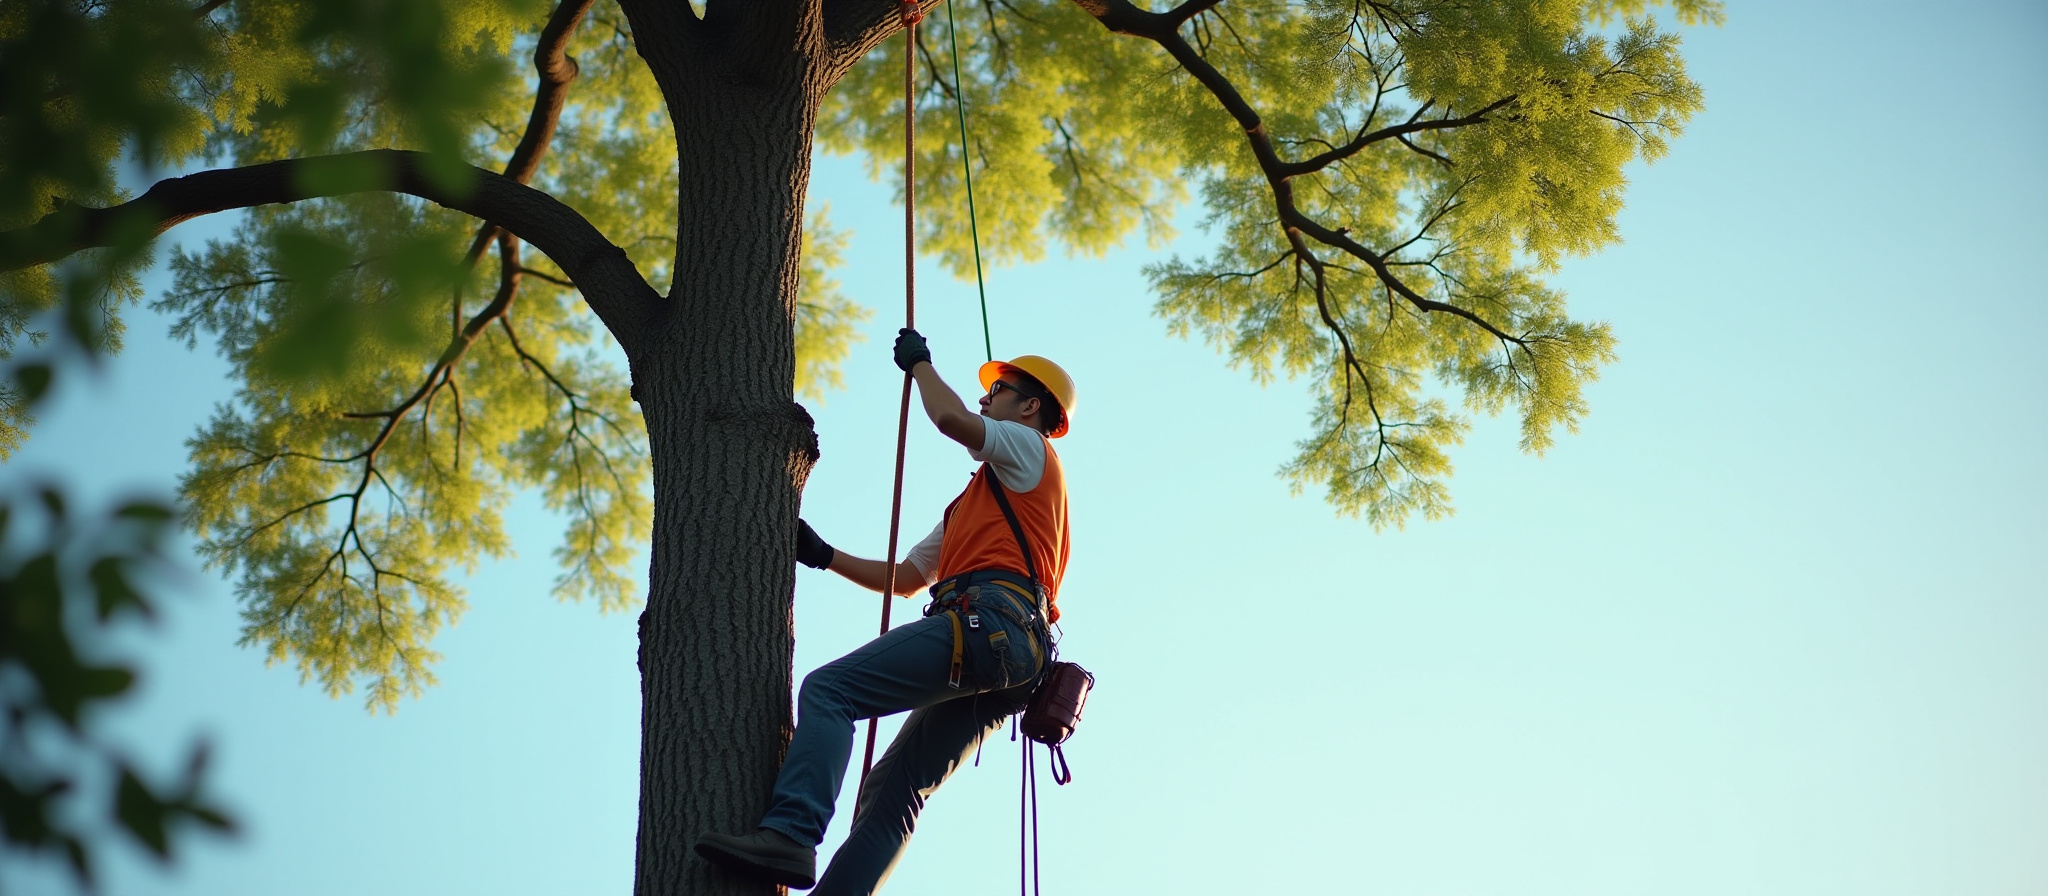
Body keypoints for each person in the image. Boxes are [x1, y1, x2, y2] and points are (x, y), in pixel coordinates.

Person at [694, 328, 1076, 895]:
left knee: (831, 691)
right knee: (896, 790)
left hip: (992, 625)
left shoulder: (1029, 447)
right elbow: (903, 579)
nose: (984, 399)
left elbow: (950, 420)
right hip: (1011, 656)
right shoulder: (980, 502)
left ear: (1030, 404)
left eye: (998, 390)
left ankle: (792, 834)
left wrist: (921, 365)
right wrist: (825, 556)